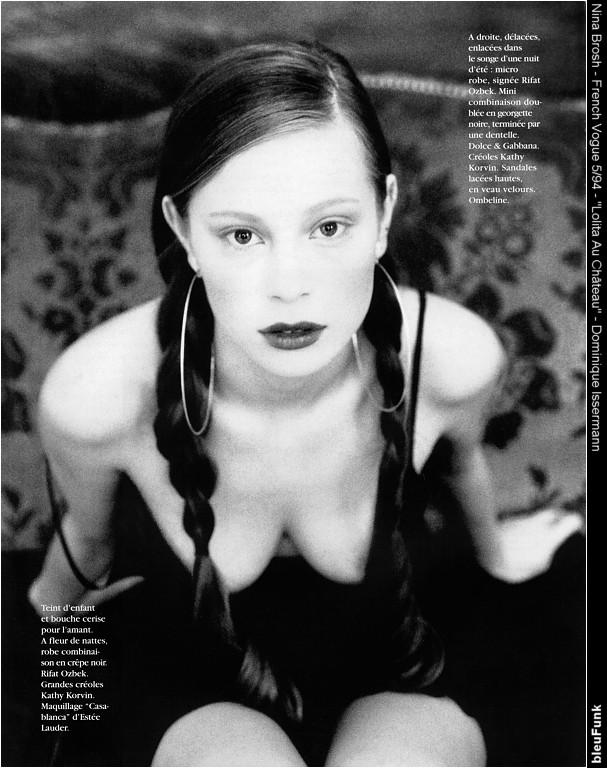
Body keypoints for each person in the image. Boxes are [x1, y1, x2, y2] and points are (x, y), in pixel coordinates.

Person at [28, 40, 581, 767]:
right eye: (242, 234)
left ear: (383, 215)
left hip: (407, 659)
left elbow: (463, 466)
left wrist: (498, 554)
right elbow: (82, 550)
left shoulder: (453, 359)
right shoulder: (94, 396)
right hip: (186, 680)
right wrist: (57, 670)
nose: (289, 285)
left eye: (328, 227)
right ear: (183, 232)